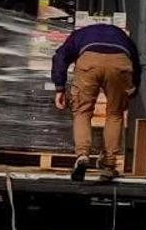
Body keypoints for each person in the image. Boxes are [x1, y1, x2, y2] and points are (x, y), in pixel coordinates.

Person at [52, 21, 141, 182]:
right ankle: (108, 167)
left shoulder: (79, 35)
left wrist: (59, 87)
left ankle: (82, 155)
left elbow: (60, 57)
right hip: (120, 63)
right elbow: (136, 62)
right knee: (115, 114)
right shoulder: (122, 36)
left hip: (89, 62)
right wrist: (135, 87)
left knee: (82, 112)